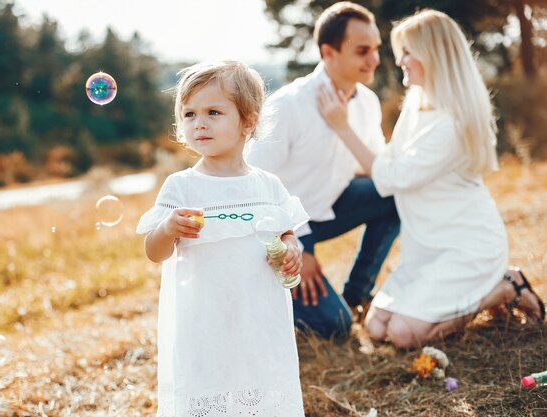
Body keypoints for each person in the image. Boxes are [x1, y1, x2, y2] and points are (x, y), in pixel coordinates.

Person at [316, 9, 546, 349]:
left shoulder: (453, 123)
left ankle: (503, 287)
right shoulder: (417, 104)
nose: (400, 60)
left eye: (408, 52)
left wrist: (341, 126)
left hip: (465, 248)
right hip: (426, 248)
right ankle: (484, 290)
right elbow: (387, 159)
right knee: (377, 327)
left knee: (404, 335)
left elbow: (392, 177)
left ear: (433, 55)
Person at [136, 61, 309, 417]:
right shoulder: (182, 187)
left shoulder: (267, 186)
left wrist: (292, 248)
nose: (198, 123)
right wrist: (168, 228)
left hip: (257, 316)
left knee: (257, 377)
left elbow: (287, 232)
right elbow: (154, 251)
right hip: (203, 319)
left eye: (213, 112)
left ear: (249, 121)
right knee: (209, 383)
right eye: (189, 114)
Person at [246, 1, 400, 340]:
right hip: (281, 227)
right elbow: (251, 185)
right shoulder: (288, 105)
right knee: (335, 328)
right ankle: (263, 302)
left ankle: (357, 295)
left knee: (396, 194)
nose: (374, 59)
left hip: (329, 207)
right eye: (362, 50)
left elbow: (379, 170)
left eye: (375, 48)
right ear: (329, 52)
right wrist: (300, 245)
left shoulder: (368, 102)